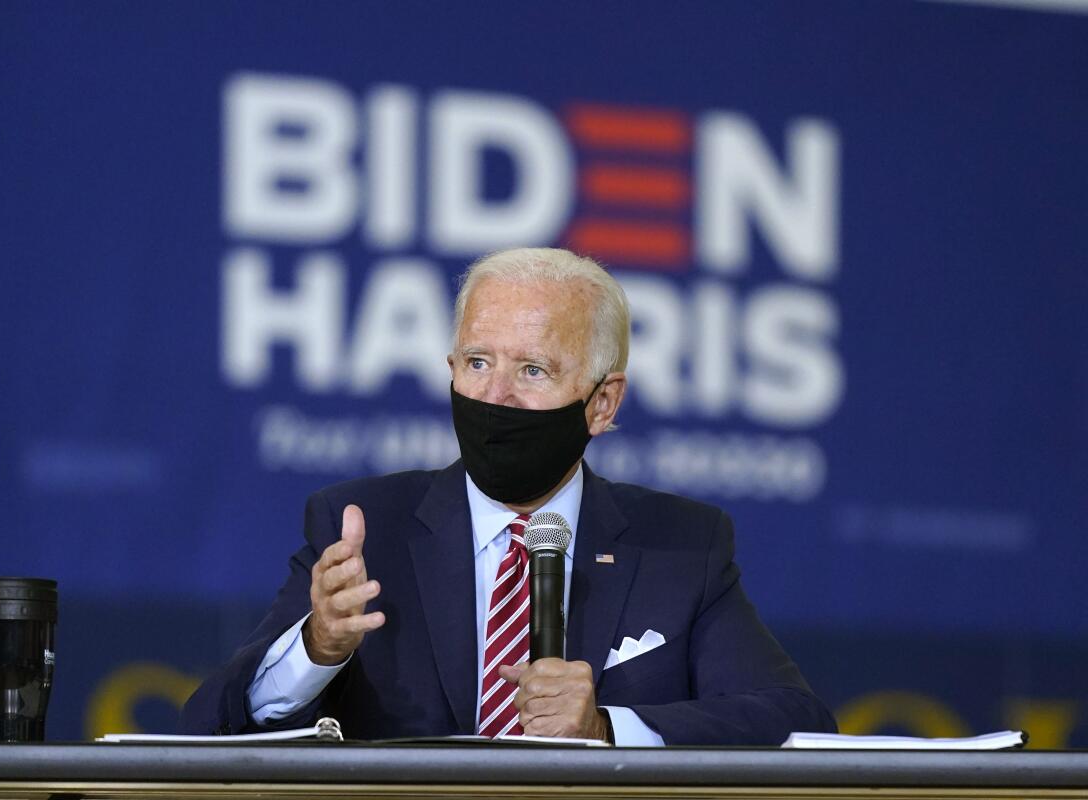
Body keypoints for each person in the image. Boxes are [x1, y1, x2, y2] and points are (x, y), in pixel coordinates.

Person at [180, 248, 836, 745]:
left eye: (531, 370)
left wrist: (607, 728)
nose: (495, 397)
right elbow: (213, 723)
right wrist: (318, 646)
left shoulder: (680, 546)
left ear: (602, 403)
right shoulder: (363, 529)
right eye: (477, 363)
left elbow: (795, 719)